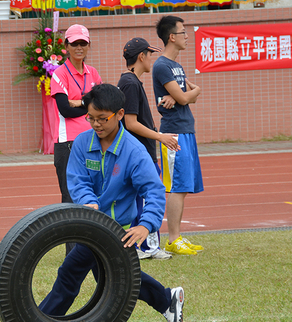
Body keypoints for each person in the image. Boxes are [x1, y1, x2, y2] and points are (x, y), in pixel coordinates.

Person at [8, 84, 185, 322]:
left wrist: (145, 226)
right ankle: (167, 299)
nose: (97, 124)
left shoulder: (133, 151)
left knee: (72, 272)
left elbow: (154, 190)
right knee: (109, 277)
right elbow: (77, 181)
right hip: (90, 227)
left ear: (120, 114)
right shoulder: (82, 143)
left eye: (103, 118)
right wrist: (87, 202)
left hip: (119, 231)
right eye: (92, 118)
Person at [117, 37, 180, 261]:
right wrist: (160, 137)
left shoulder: (129, 81)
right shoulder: (131, 83)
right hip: (141, 154)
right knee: (150, 198)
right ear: (141, 56)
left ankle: (140, 247)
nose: (152, 58)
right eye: (150, 54)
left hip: (137, 153)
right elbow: (131, 123)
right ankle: (148, 247)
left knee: (138, 201)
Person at [152, 16, 203, 256]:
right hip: (173, 132)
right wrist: (183, 95)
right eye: (183, 32)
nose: (186, 36)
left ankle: (177, 237)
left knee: (183, 186)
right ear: (171, 36)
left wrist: (188, 93)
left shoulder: (177, 67)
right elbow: (185, 97)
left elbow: (194, 91)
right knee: (176, 187)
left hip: (186, 129)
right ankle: (173, 239)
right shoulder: (162, 65)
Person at [50, 24, 102, 204]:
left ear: (89, 45)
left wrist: (80, 102)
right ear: (66, 47)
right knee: (70, 196)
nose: (79, 48)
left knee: (94, 192)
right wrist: (89, 105)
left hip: (94, 140)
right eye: (74, 44)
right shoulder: (59, 74)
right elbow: (65, 110)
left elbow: (102, 105)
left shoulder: (93, 73)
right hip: (68, 144)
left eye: (83, 43)